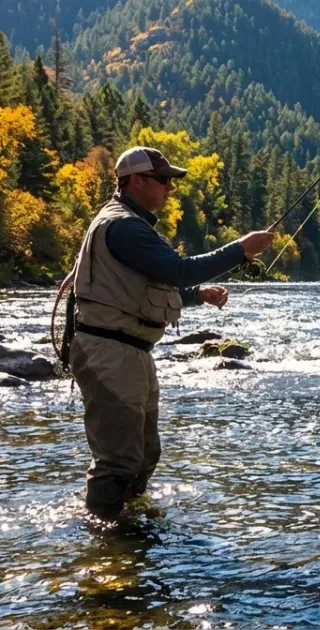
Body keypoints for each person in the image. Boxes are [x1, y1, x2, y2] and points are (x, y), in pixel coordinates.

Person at [67, 146, 274, 521]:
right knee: (119, 462)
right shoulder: (124, 227)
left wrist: (196, 296)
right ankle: (104, 541)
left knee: (146, 454)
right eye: (163, 180)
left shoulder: (131, 225)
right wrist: (241, 249)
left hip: (128, 351)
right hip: (110, 353)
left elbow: (144, 287)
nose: (170, 187)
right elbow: (179, 270)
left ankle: (125, 522)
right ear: (136, 181)